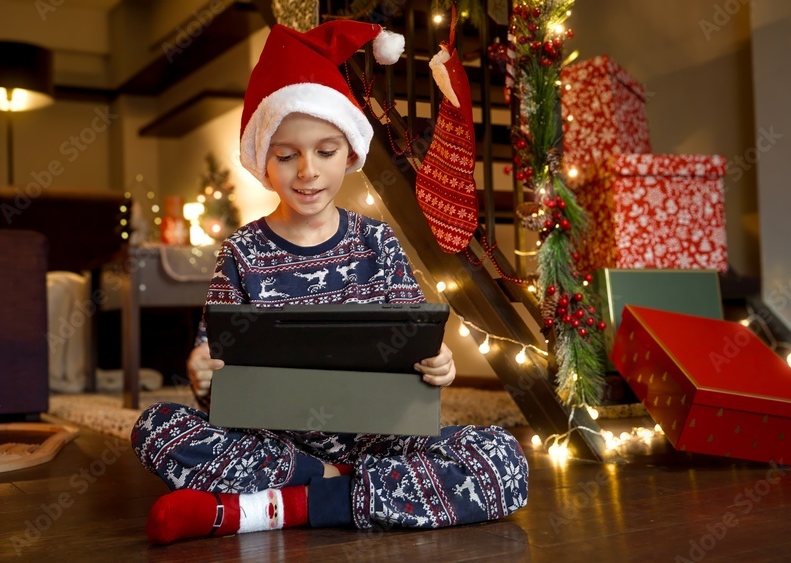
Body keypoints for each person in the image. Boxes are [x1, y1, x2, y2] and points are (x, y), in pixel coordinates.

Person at [132, 20, 528, 545]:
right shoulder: (241, 253)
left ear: (350, 152)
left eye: (325, 151)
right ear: (263, 160)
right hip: (277, 448)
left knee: (503, 457)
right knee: (155, 427)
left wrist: (440, 365)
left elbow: (417, 342)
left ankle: (272, 509)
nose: (307, 172)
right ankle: (338, 492)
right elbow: (218, 381)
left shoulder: (377, 242)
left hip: (380, 442)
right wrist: (203, 379)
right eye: (286, 154)